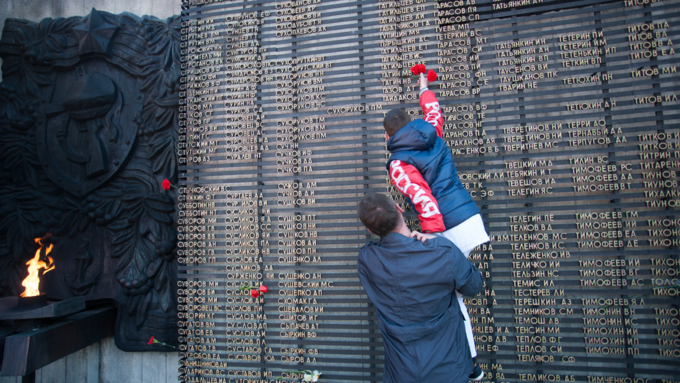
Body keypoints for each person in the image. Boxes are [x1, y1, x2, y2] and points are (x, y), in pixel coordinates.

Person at [383, 72, 490, 379]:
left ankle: (471, 367)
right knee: (450, 295)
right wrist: (424, 87)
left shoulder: (399, 162)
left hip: (448, 225)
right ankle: (466, 365)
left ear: (388, 137)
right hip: (468, 215)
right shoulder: (430, 131)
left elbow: (424, 198)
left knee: (452, 301)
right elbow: (434, 111)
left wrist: (432, 237)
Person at [356, 192, 484, 383]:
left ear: (370, 230)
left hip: (399, 374)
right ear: (400, 209)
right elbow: (473, 286)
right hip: (449, 371)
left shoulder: (366, 259)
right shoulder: (442, 251)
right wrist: (437, 241)